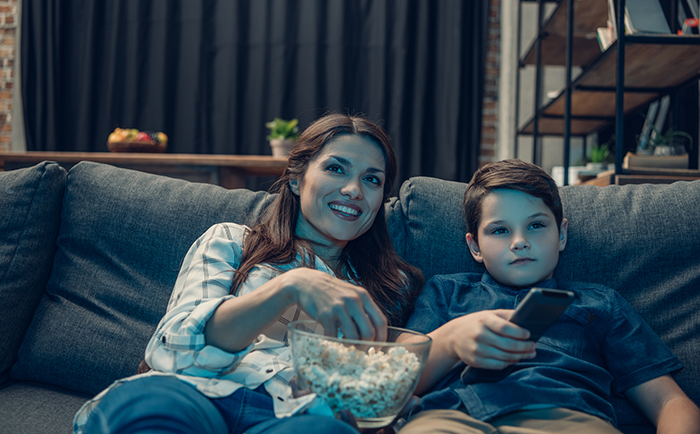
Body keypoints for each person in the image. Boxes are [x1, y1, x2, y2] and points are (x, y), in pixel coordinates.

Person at [74, 113, 424, 434]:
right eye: (336, 169)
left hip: (294, 417)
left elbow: (377, 394)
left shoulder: (389, 288)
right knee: (152, 408)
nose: (353, 190)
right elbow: (174, 350)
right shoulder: (230, 241)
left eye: (372, 179)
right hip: (196, 395)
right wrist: (290, 286)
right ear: (296, 180)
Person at [396, 159, 700, 434]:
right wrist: (452, 341)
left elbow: (669, 402)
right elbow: (395, 379)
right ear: (475, 246)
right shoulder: (447, 292)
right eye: (500, 231)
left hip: (567, 418)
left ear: (562, 234)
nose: (520, 242)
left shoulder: (600, 303)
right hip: (455, 416)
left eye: (536, 226)